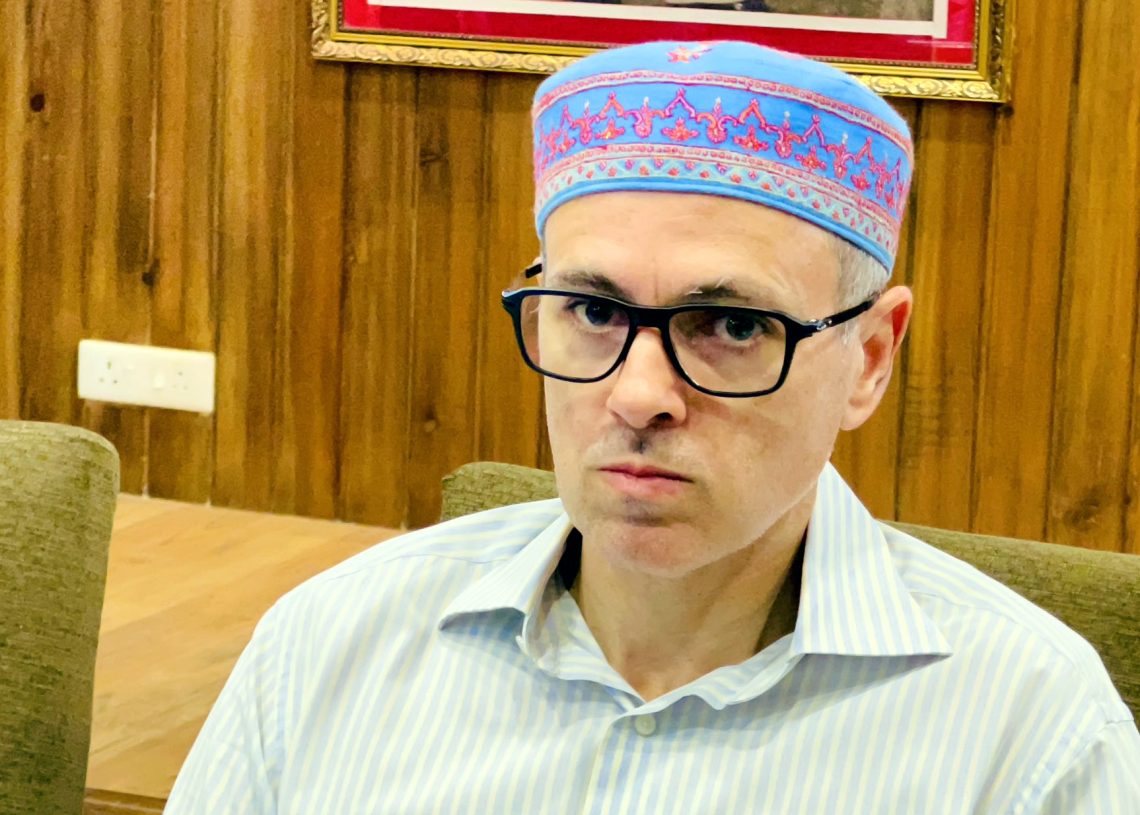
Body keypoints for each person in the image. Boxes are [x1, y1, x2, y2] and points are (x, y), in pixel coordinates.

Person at [165, 40, 1140, 812]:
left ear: (870, 359)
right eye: (593, 310)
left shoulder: (1028, 734)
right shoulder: (331, 645)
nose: (638, 395)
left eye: (731, 326)